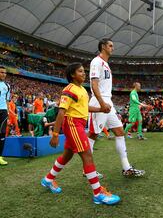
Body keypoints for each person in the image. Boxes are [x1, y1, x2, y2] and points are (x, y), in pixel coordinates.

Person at [41, 63, 121, 205]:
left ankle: (47, 179)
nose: (84, 74)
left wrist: (101, 109)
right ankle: (98, 194)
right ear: (72, 74)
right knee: (87, 155)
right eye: (80, 71)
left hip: (77, 124)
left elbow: (84, 108)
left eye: (84, 71)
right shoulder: (69, 90)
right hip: (72, 124)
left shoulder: (82, 90)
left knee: (67, 155)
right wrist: (54, 134)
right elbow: (61, 112)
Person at [88, 38, 145, 177]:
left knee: (120, 132)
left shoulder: (106, 64)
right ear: (103, 47)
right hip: (100, 102)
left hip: (109, 102)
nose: (113, 48)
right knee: (93, 135)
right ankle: (87, 169)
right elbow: (94, 84)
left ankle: (126, 168)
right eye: (110, 45)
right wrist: (101, 104)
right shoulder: (96, 62)